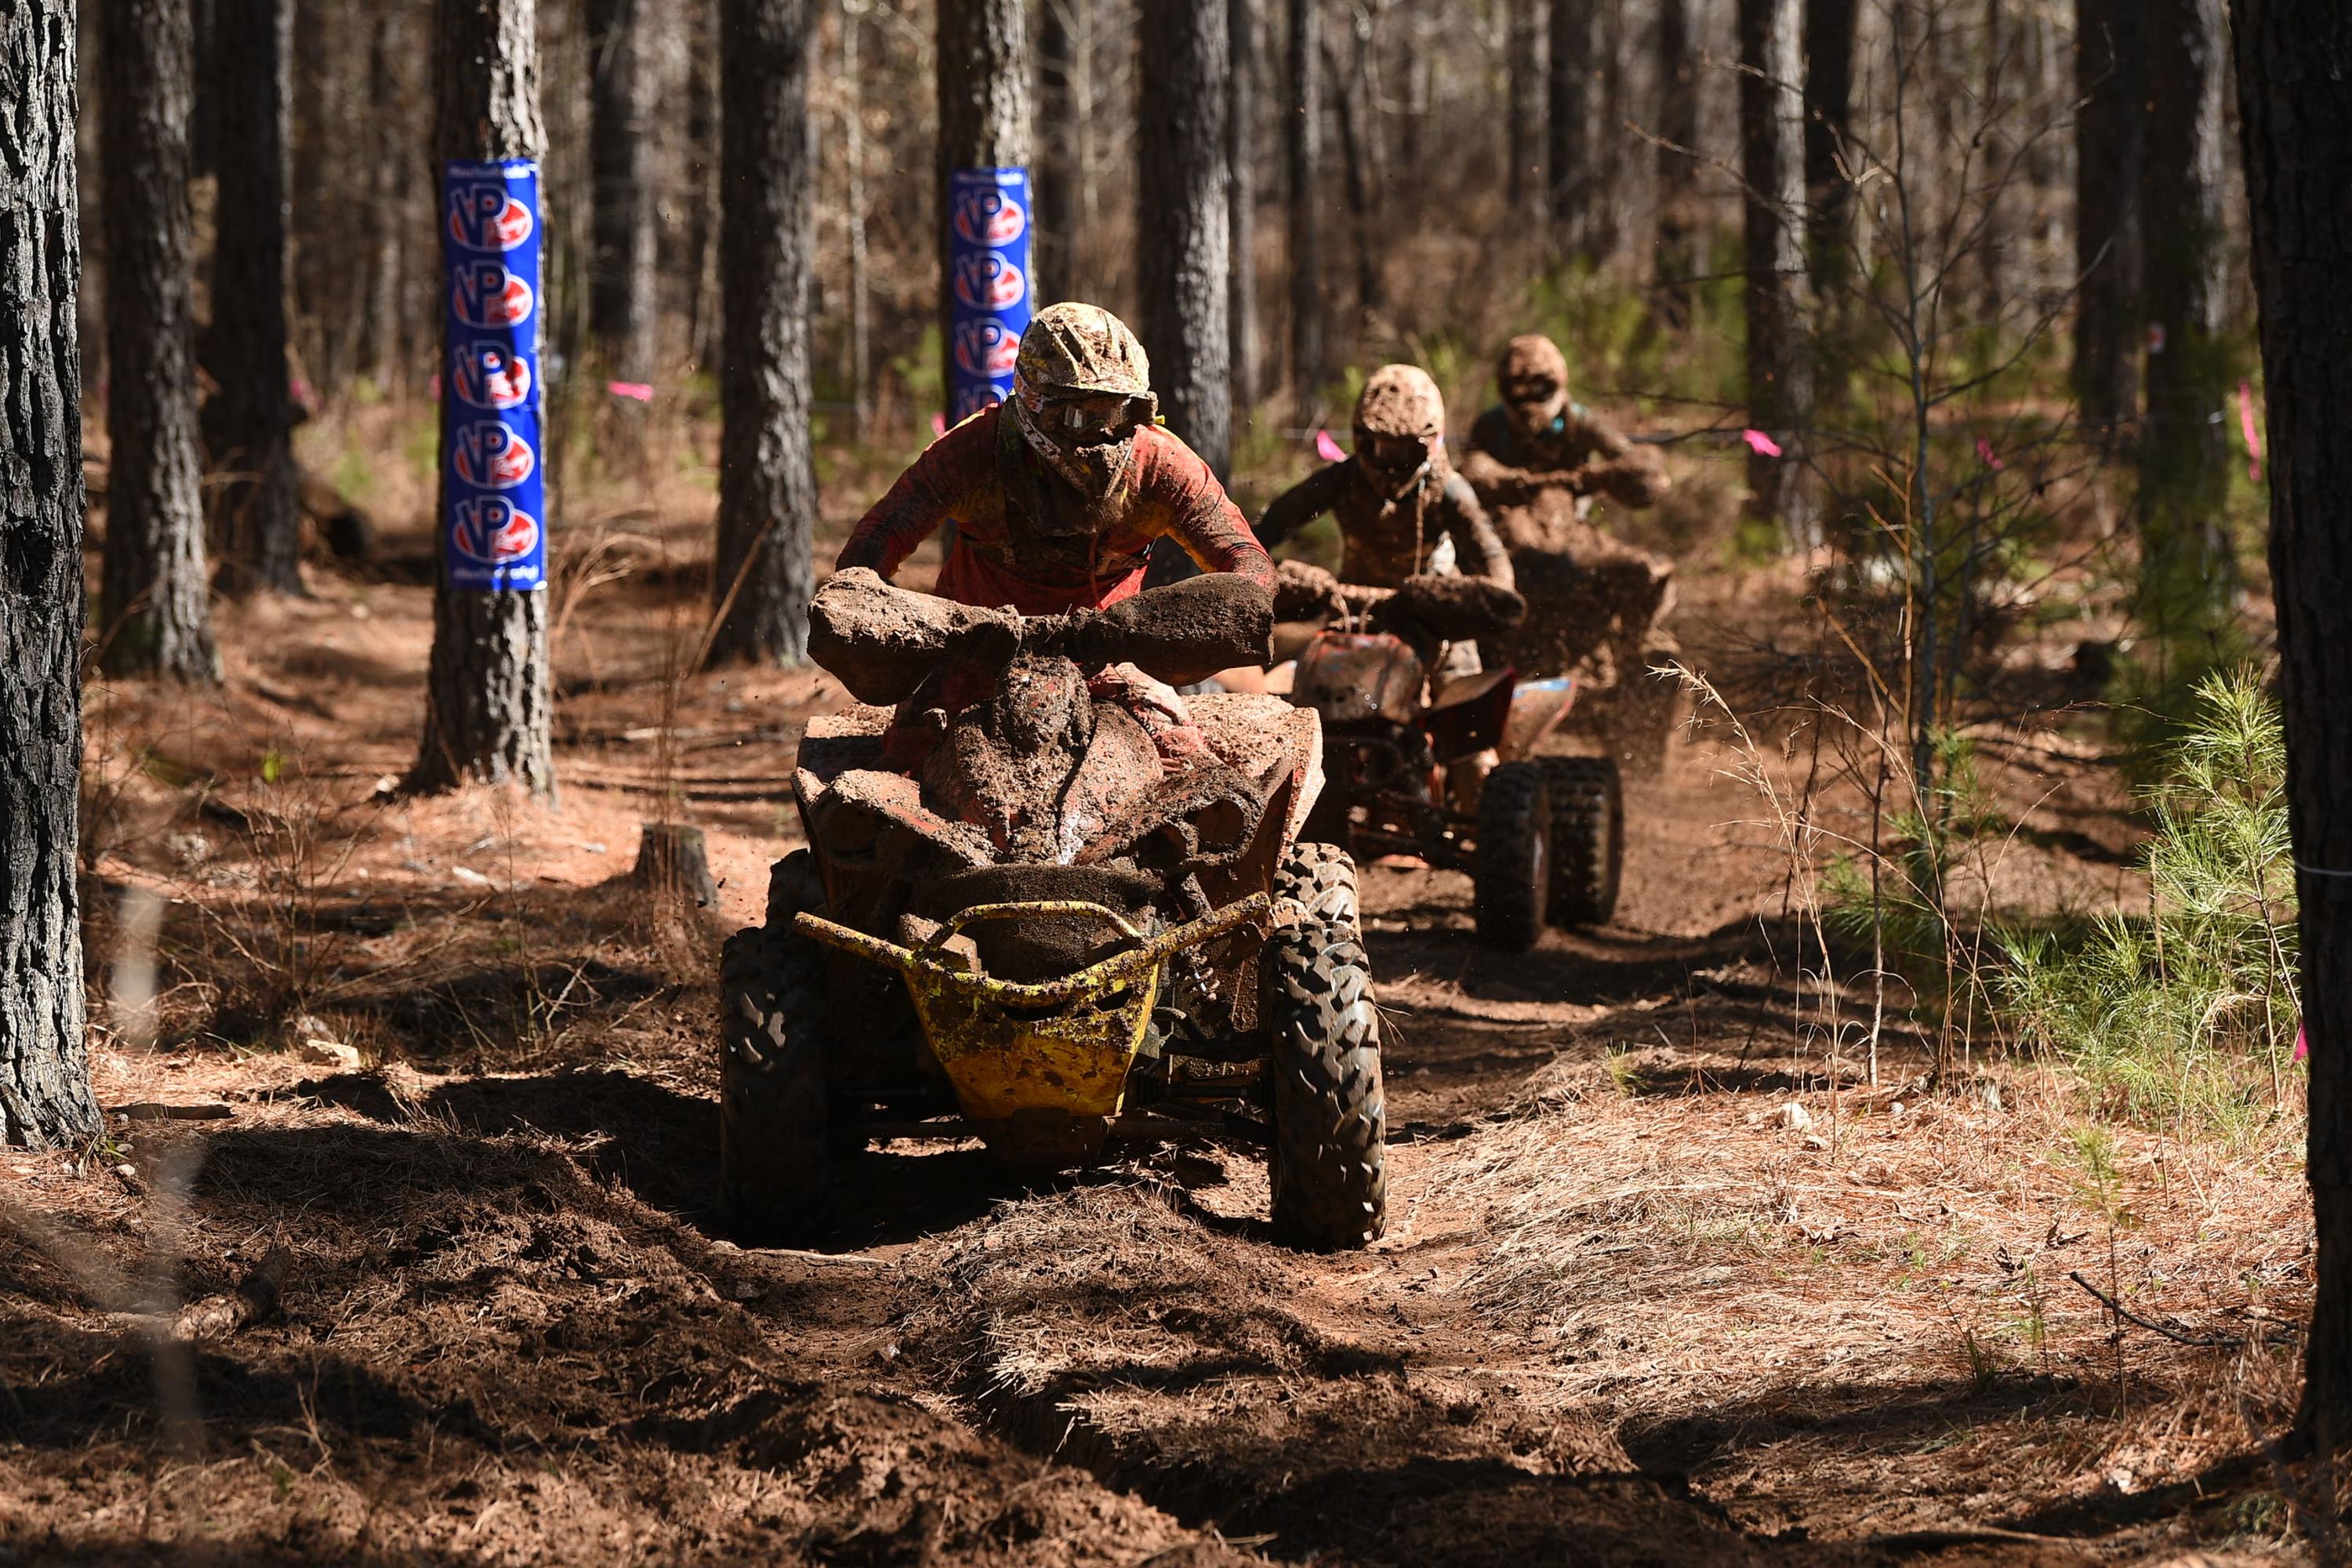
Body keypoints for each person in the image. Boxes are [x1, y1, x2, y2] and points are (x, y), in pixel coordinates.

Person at [836, 302, 1274, 764]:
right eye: (1079, 414)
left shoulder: (1162, 465)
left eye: (1121, 412)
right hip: (974, 659)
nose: (1103, 435)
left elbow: (1250, 566)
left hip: (1109, 662)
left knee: (1184, 761)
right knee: (908, 758)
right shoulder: (972, 453)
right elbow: (873, 544)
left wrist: (1166, 626)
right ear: (1030, 401)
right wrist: (879, 609)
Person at [1461, 333, 1675, 702]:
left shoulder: (1578, 421)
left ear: (1557, 385)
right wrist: (1513, 483)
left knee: (1642, 572)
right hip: (1510, 532)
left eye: (1538, 388)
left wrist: (1611, 475)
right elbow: (1472, 471)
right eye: (1518, 389)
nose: (1528, 400)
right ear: (1503, 389)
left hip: (1573, 534)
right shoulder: (1490, 427)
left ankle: (1630, 651)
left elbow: (1638, 465)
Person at [1256, 364, 1515, 604]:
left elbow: (1490, 554)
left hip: (1431, 612)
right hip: (1354, 605)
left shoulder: (1447, 488)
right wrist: (1246, 560)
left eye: (1406, 451)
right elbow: (1273, 523)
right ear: (1363, 438)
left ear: (1428, 443)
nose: (1392, 463)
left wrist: (1499, 594)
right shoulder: (1342, 478)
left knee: (1462, 655)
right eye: (1381, 447)